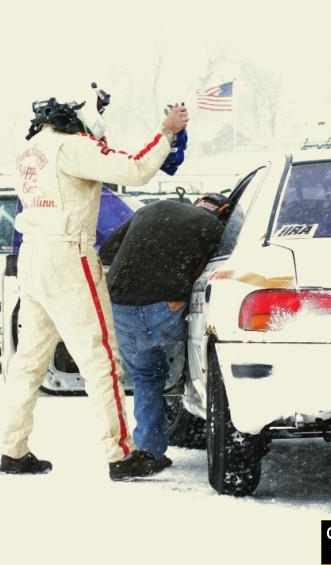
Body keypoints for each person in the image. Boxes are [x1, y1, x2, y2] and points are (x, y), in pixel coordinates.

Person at [0, 83, 189, 481]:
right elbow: (134, 169)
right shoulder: (73, 147)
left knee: (28, 363)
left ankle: (13, 450)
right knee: (101, 359)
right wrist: (167, 133)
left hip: (32, 255)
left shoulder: (32, 148)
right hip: (68, 255)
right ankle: (121, 454)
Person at [99, 193, 232, 462]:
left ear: (197, 202)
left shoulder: (152, 209)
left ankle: (149, 451)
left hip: (120, 304)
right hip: (165, 306)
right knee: (180, 368)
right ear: (223, 211)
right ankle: (186, 418)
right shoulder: (213, 229)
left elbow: (107, 251)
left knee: (146, 376)